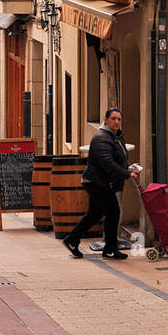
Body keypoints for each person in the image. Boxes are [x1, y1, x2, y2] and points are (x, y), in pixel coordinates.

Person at [62, 108, 132, 261]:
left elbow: (118, 159)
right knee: (113, 212)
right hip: (97, 182)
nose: (116, 122)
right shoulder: (102, 138)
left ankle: (72, 240)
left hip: (101, 182)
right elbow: (107, 163)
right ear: (106, 120)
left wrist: (129, 167)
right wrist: (126, 173)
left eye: (119, 119)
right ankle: (110, 249)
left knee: (94, 214)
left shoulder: (115, 137)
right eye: (113, 118)